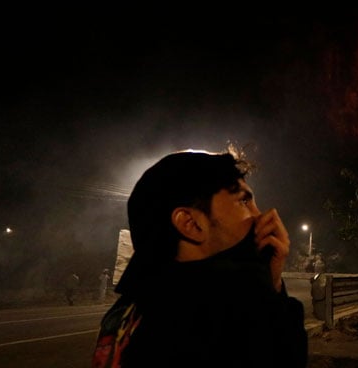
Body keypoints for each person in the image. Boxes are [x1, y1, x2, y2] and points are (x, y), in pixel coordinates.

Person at [92, 150, 307, 367]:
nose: (261, 216)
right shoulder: (219, 317)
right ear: (190, 224)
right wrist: (269, 295)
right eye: (243, 201)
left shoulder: (128, 312)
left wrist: (272, 282)